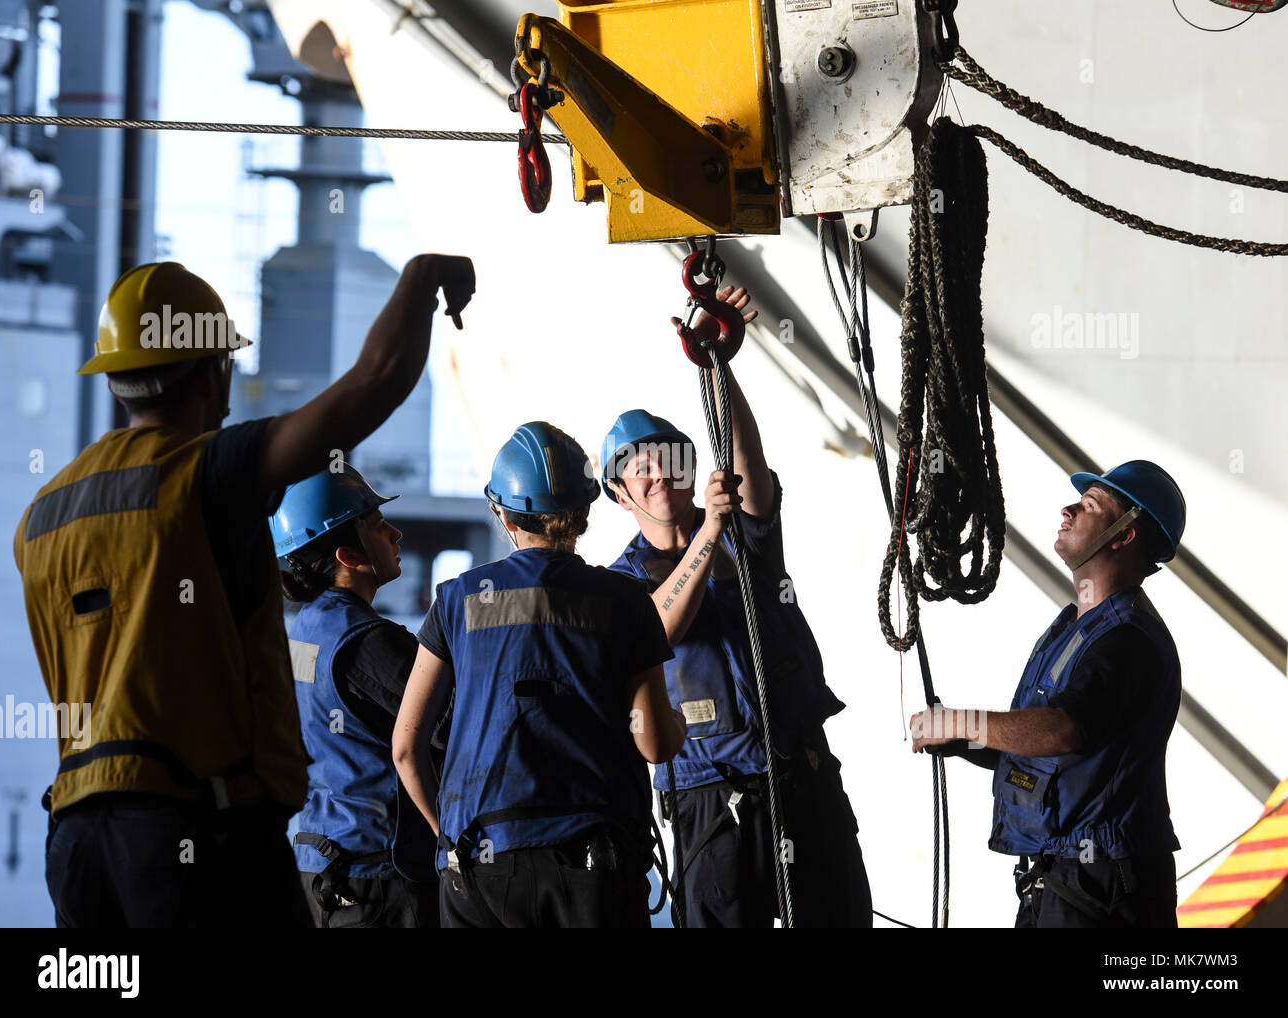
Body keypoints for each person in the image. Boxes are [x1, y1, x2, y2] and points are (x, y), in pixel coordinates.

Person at [14, 254, 474, 927]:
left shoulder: (43, 514)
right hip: (192, 831)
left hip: (78, 843)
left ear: (117, 381)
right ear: (211, 372)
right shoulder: (205, 471)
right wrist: (422, 279)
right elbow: (373, 383)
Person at [600, 286, 874, 928]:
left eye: (668, 457)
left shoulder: (746, 536)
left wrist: (717, 366)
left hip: (800, 776)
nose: (657, 471)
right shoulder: (619, 585)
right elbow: (658, 628)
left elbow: (749, 465)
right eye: (637, 466)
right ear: (618, 494)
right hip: (709, 799)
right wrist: (707, 534)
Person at [393, 422, 686, 928]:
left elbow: (405, 747)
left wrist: (452, 835)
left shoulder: (457, 600)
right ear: (585, 511)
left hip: (477, 859)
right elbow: (655, 744)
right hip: (593, 860)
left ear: (503, 514)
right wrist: (678, 721)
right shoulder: (623, 600)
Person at [911, 460, 1187, 929]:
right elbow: (1045, 756)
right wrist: (968, 743)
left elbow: (1062, 731)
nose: (1068, 509)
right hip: (1061, 877)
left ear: (1124, 535)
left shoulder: (1128, 640)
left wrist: (960, 721)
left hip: (1103, 885)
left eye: (1089, 505)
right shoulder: (1073, 628)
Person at [270, 465, 440, 928]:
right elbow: (459, 727)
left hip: (324, 867)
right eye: (379, 526)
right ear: (348, 554)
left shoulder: (304, 630)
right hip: (379, 880)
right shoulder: (367, 642)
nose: (396, 533)